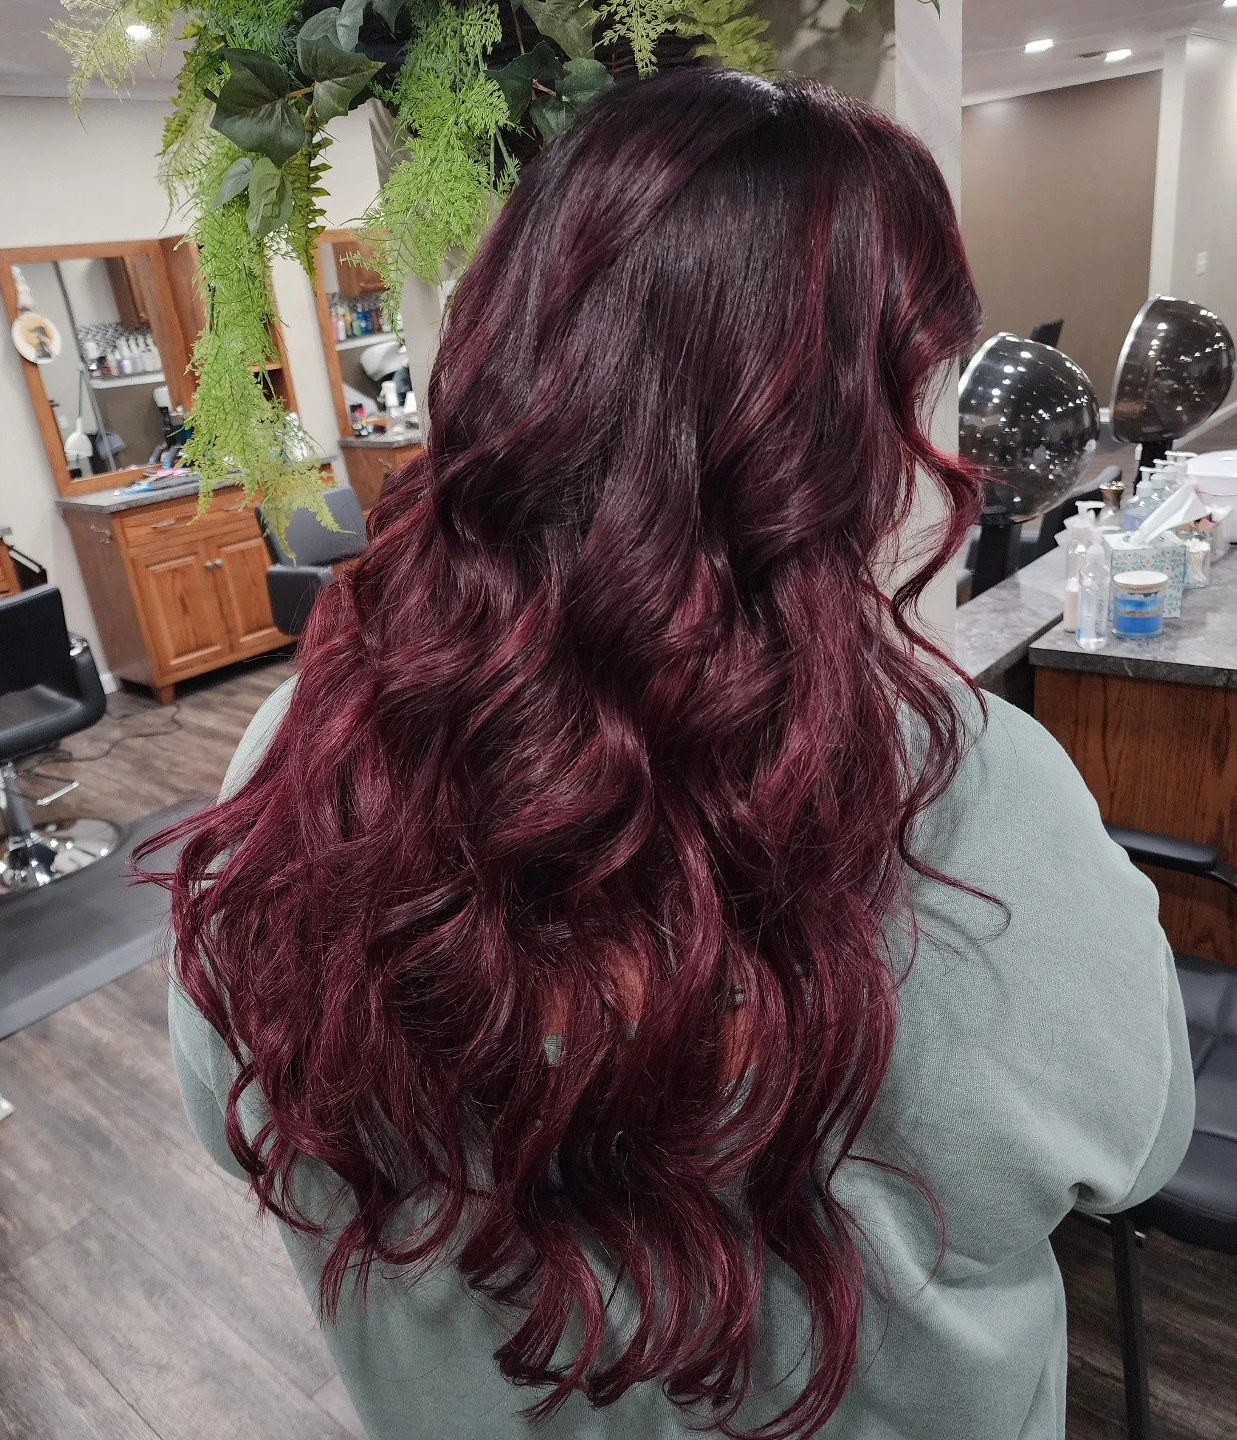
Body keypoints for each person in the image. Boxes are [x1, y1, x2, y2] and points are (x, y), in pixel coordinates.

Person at [156, 68, 1193, 1440]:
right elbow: (1138, 1148)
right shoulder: (980, 796)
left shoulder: (301, 755)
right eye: (939, 387)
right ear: (867, 431)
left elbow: (231, 1110)